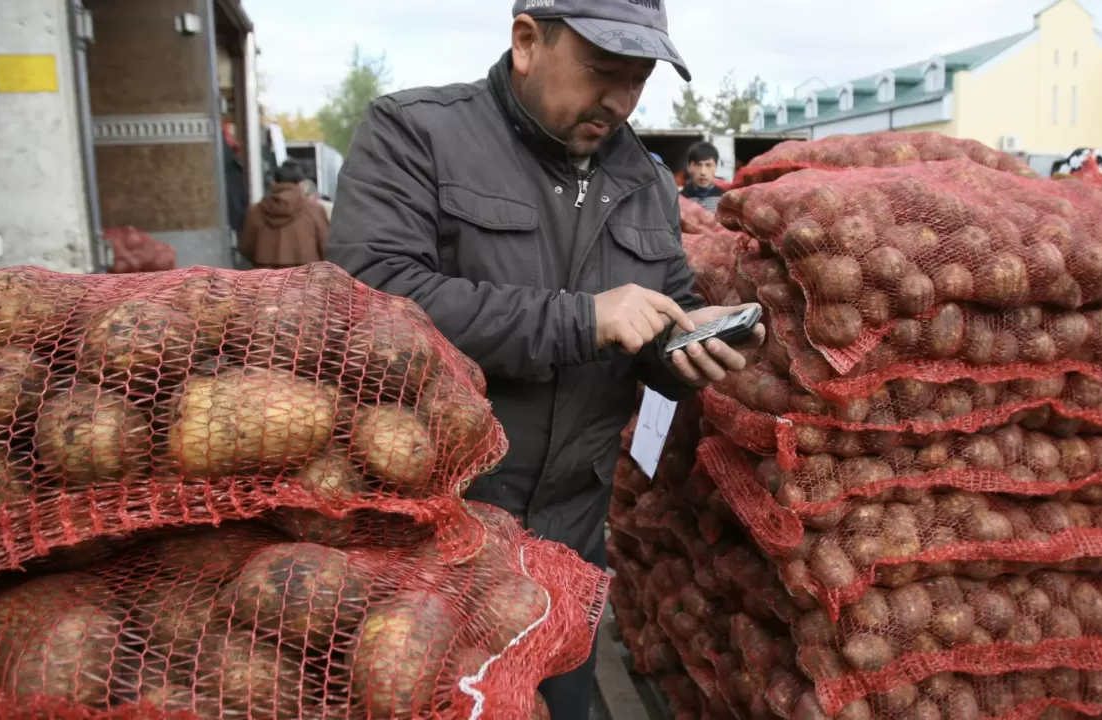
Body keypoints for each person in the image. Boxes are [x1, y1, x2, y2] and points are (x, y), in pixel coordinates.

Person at [326, 2, 764, 717]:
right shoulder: (417, 133)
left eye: (639, 80)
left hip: (572, 538)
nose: (620, 101)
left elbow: (660, 317)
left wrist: (692, 346)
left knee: (557, 705)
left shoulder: (645, 180)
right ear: (527, 42)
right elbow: (373, 300)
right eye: (602, 71)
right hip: (432, 534)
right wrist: (583, 320)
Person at [237, 161, 330, 269]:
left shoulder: (255, 211)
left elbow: (245, 247)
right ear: (301, 183)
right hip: (305, 277)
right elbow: (326, 247)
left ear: (274, 182)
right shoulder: (315, 210)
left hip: (267, 278)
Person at [681, 140, 724, 212]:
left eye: (708, 165)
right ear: (688, 167)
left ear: (716, 166)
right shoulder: (679, 199)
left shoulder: (725, 198)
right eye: (698, 165)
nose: (703, 172)